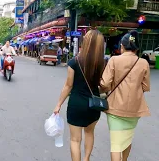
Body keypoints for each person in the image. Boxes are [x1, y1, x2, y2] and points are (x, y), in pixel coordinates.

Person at [53, 30, 105, 161]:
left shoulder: (74, 62)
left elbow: (68, 86)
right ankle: (87, 158)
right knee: (89, 133)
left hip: (76, 104)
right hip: (94, 105)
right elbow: (103, 84)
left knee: (75, 140)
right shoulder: (102, 63)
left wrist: (58, 104)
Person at [100, 30, 150, 161]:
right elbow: (145, 87)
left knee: (116, 144)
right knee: (127, 138)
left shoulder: (114, 60)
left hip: (115, 109)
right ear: (136, 48)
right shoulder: (143, 63)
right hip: (135, 109)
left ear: (122, 46)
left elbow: (105, 84)